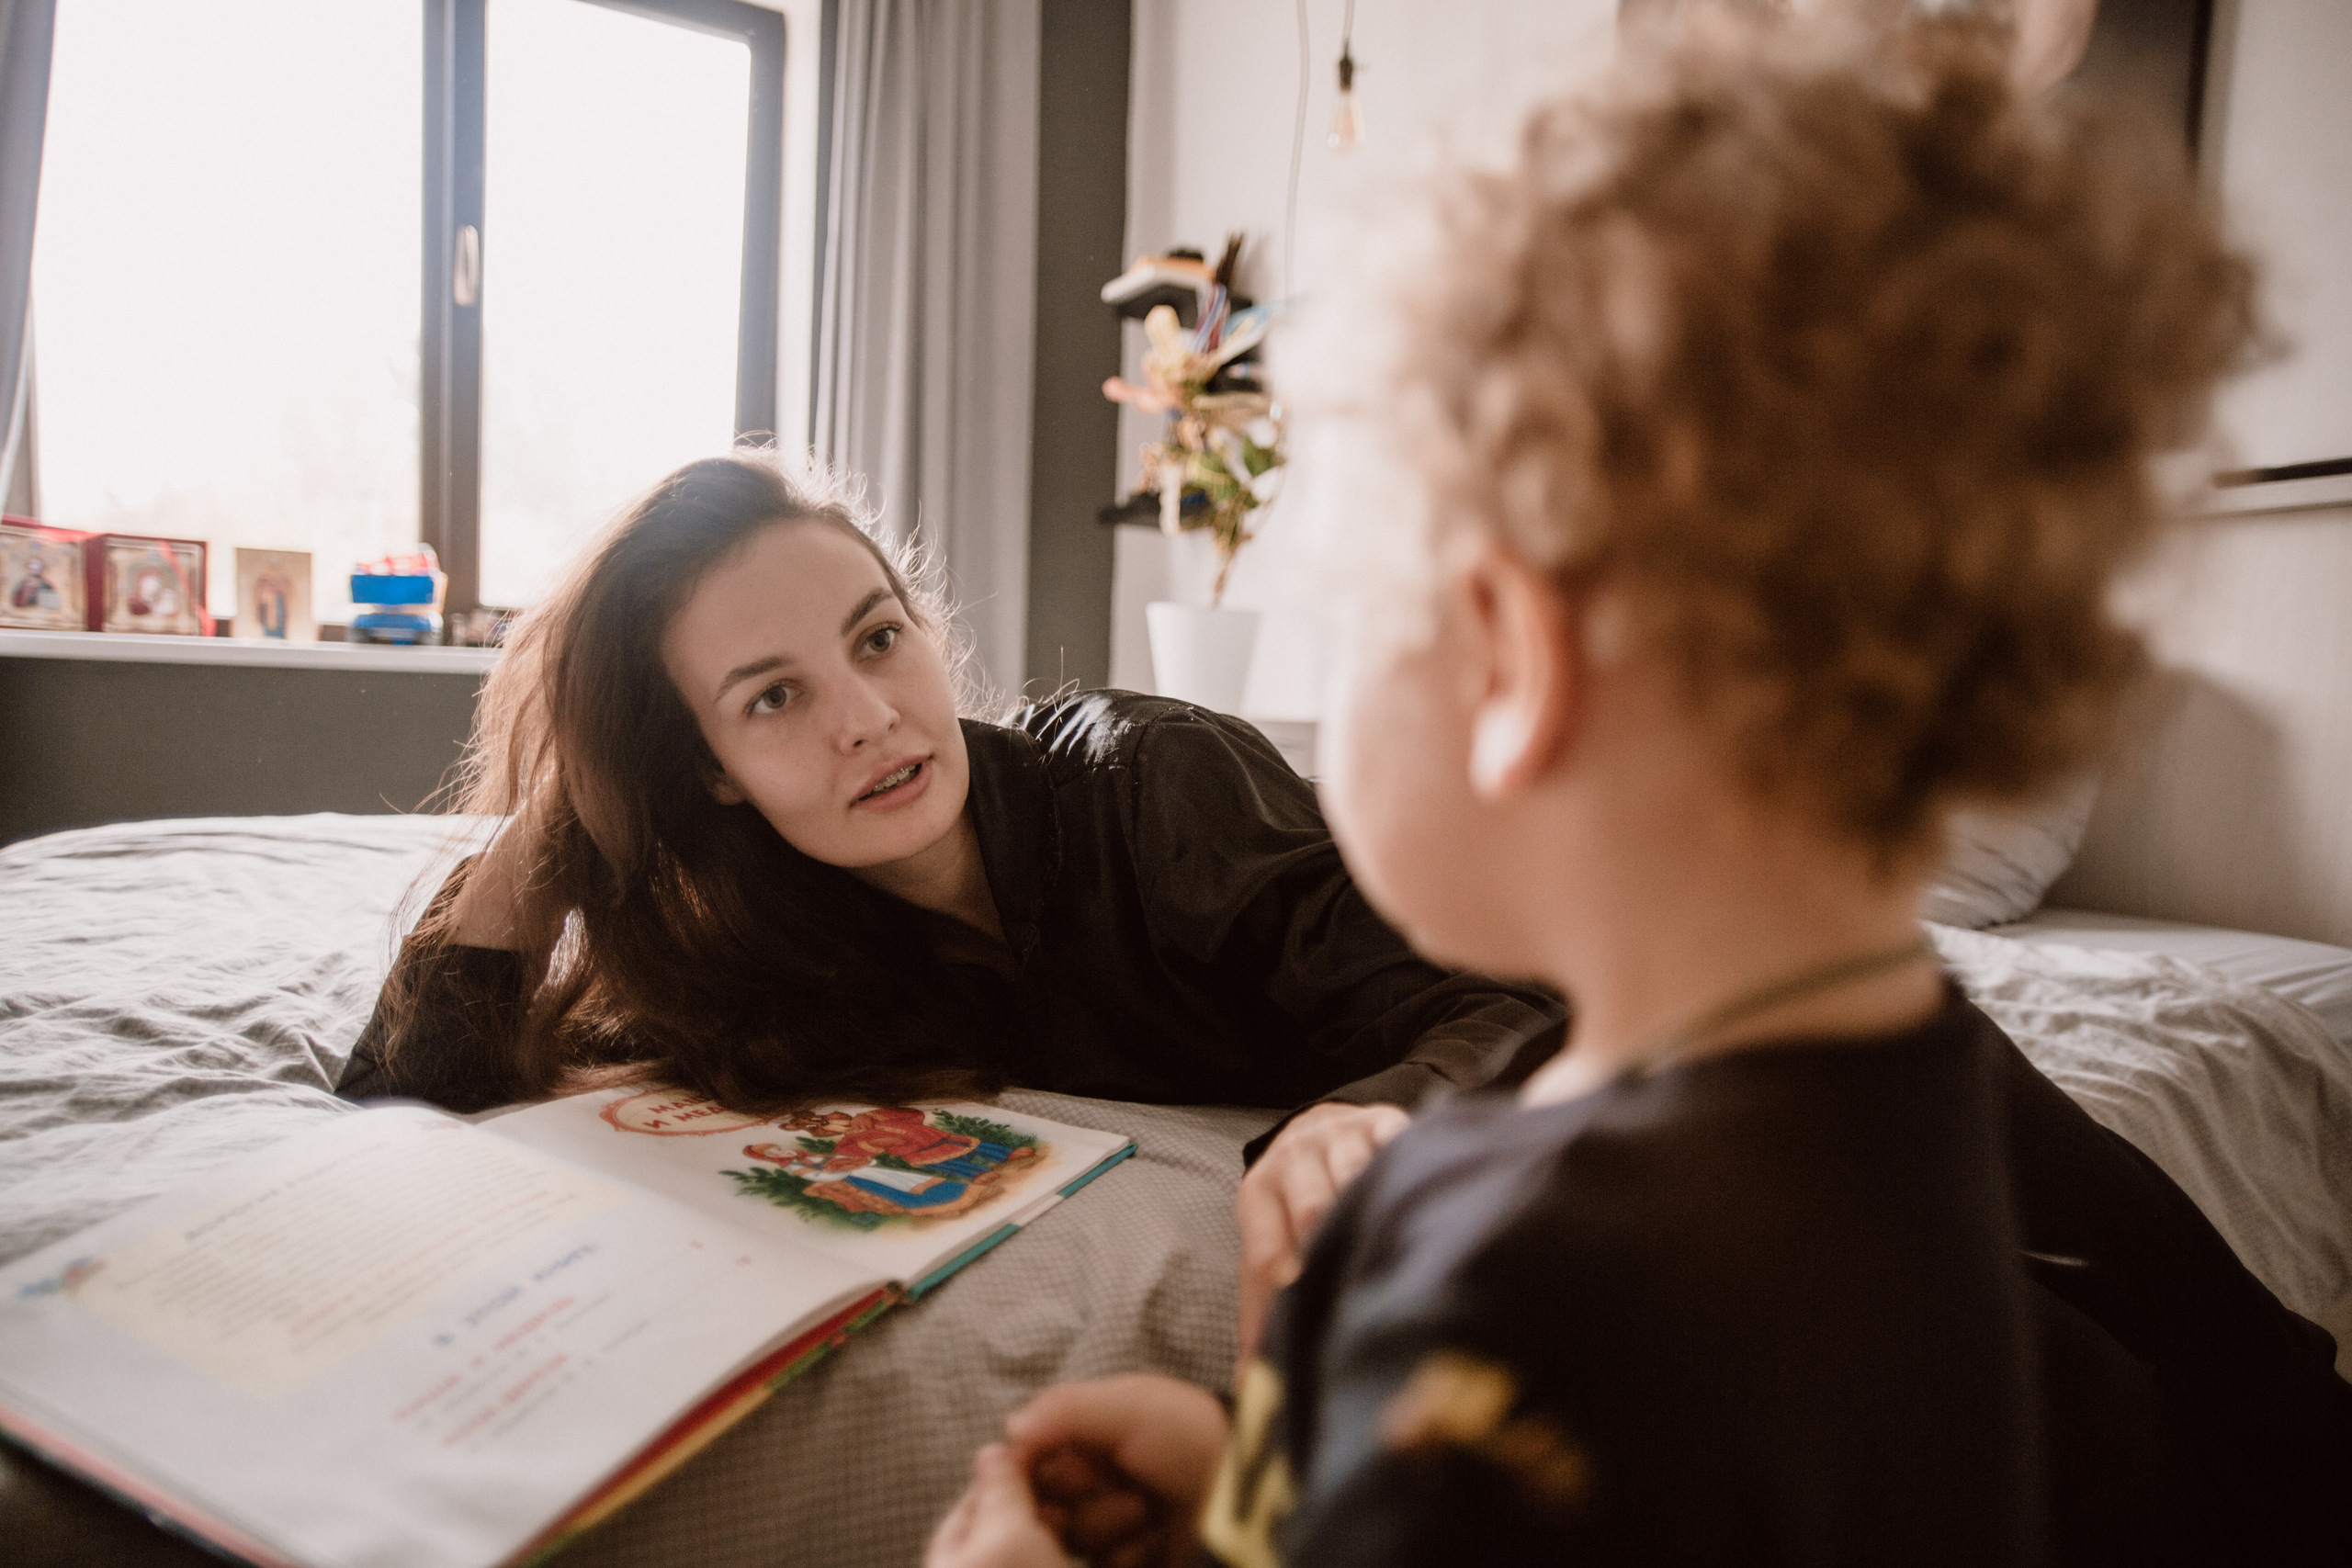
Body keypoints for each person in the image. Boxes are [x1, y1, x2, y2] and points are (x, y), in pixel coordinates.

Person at [922, 6, 2352, 1566]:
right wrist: (1249, 1483)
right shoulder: (1929, 1109)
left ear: (1515, 667)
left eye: (1361, 613)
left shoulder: (1502, 1274)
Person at [339, 450, 1557, 1256]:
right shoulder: (770, 943)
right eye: (772, 699)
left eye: (878, 638)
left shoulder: (1154, 788)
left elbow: (1506, 1008)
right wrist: (548, 843)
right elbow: (412, 1096)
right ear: (709, 769)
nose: (866, 716)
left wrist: (1348, 1127)